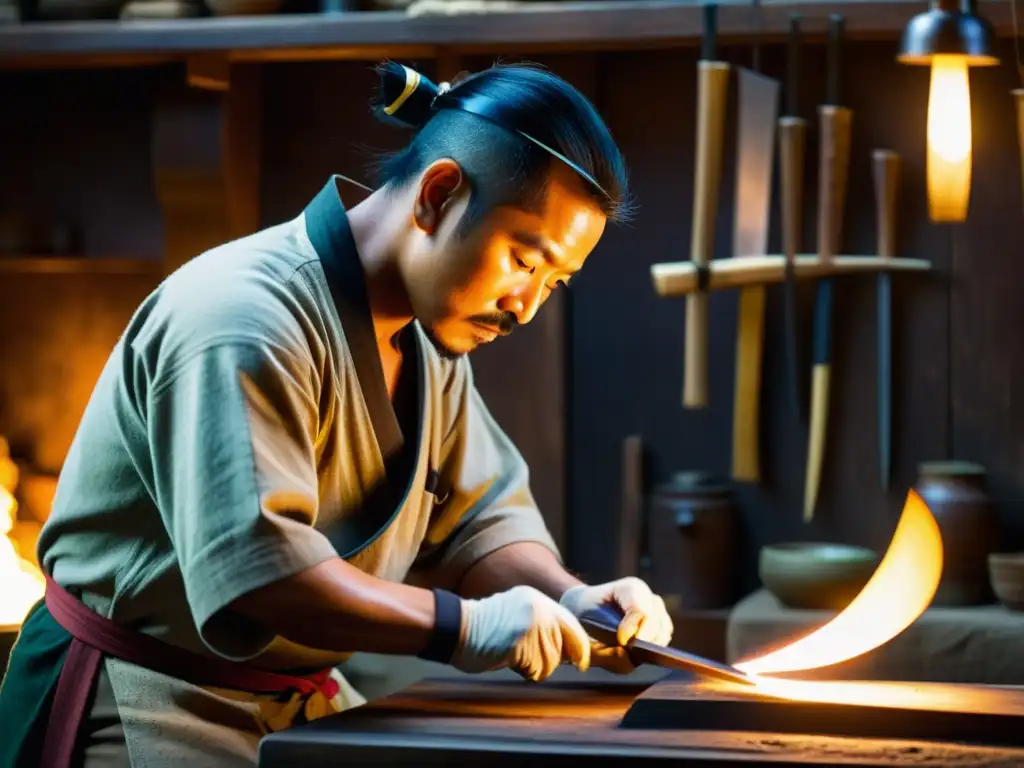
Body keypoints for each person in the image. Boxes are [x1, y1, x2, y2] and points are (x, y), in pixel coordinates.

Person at [0, 60, 674, 767]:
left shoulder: (430, 341)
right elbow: (263, 575)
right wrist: (464, 627)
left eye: (554, 281)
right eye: (523, 260)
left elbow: (479, 526)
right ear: (438, 194)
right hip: (149, 693)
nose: (527, 306)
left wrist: (578, 601)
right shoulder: (241, 315)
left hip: (294, 698)